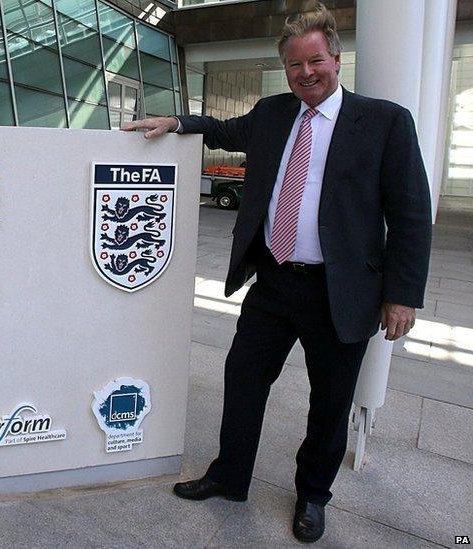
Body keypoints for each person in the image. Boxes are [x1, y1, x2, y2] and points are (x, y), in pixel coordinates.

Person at [122, 5, 431, 544]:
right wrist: (176, 122)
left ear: (336, 57)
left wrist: (401, 296)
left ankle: (313, 494)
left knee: (330, 403)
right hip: (274, 283)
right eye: (294, 65)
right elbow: (222, 128)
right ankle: (229, 475)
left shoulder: (385, 122)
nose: (306, 73)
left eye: (315, 61)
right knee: (242, 380)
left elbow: (409, 214)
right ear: (285, 69)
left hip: (342, 292)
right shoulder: (272, 113)